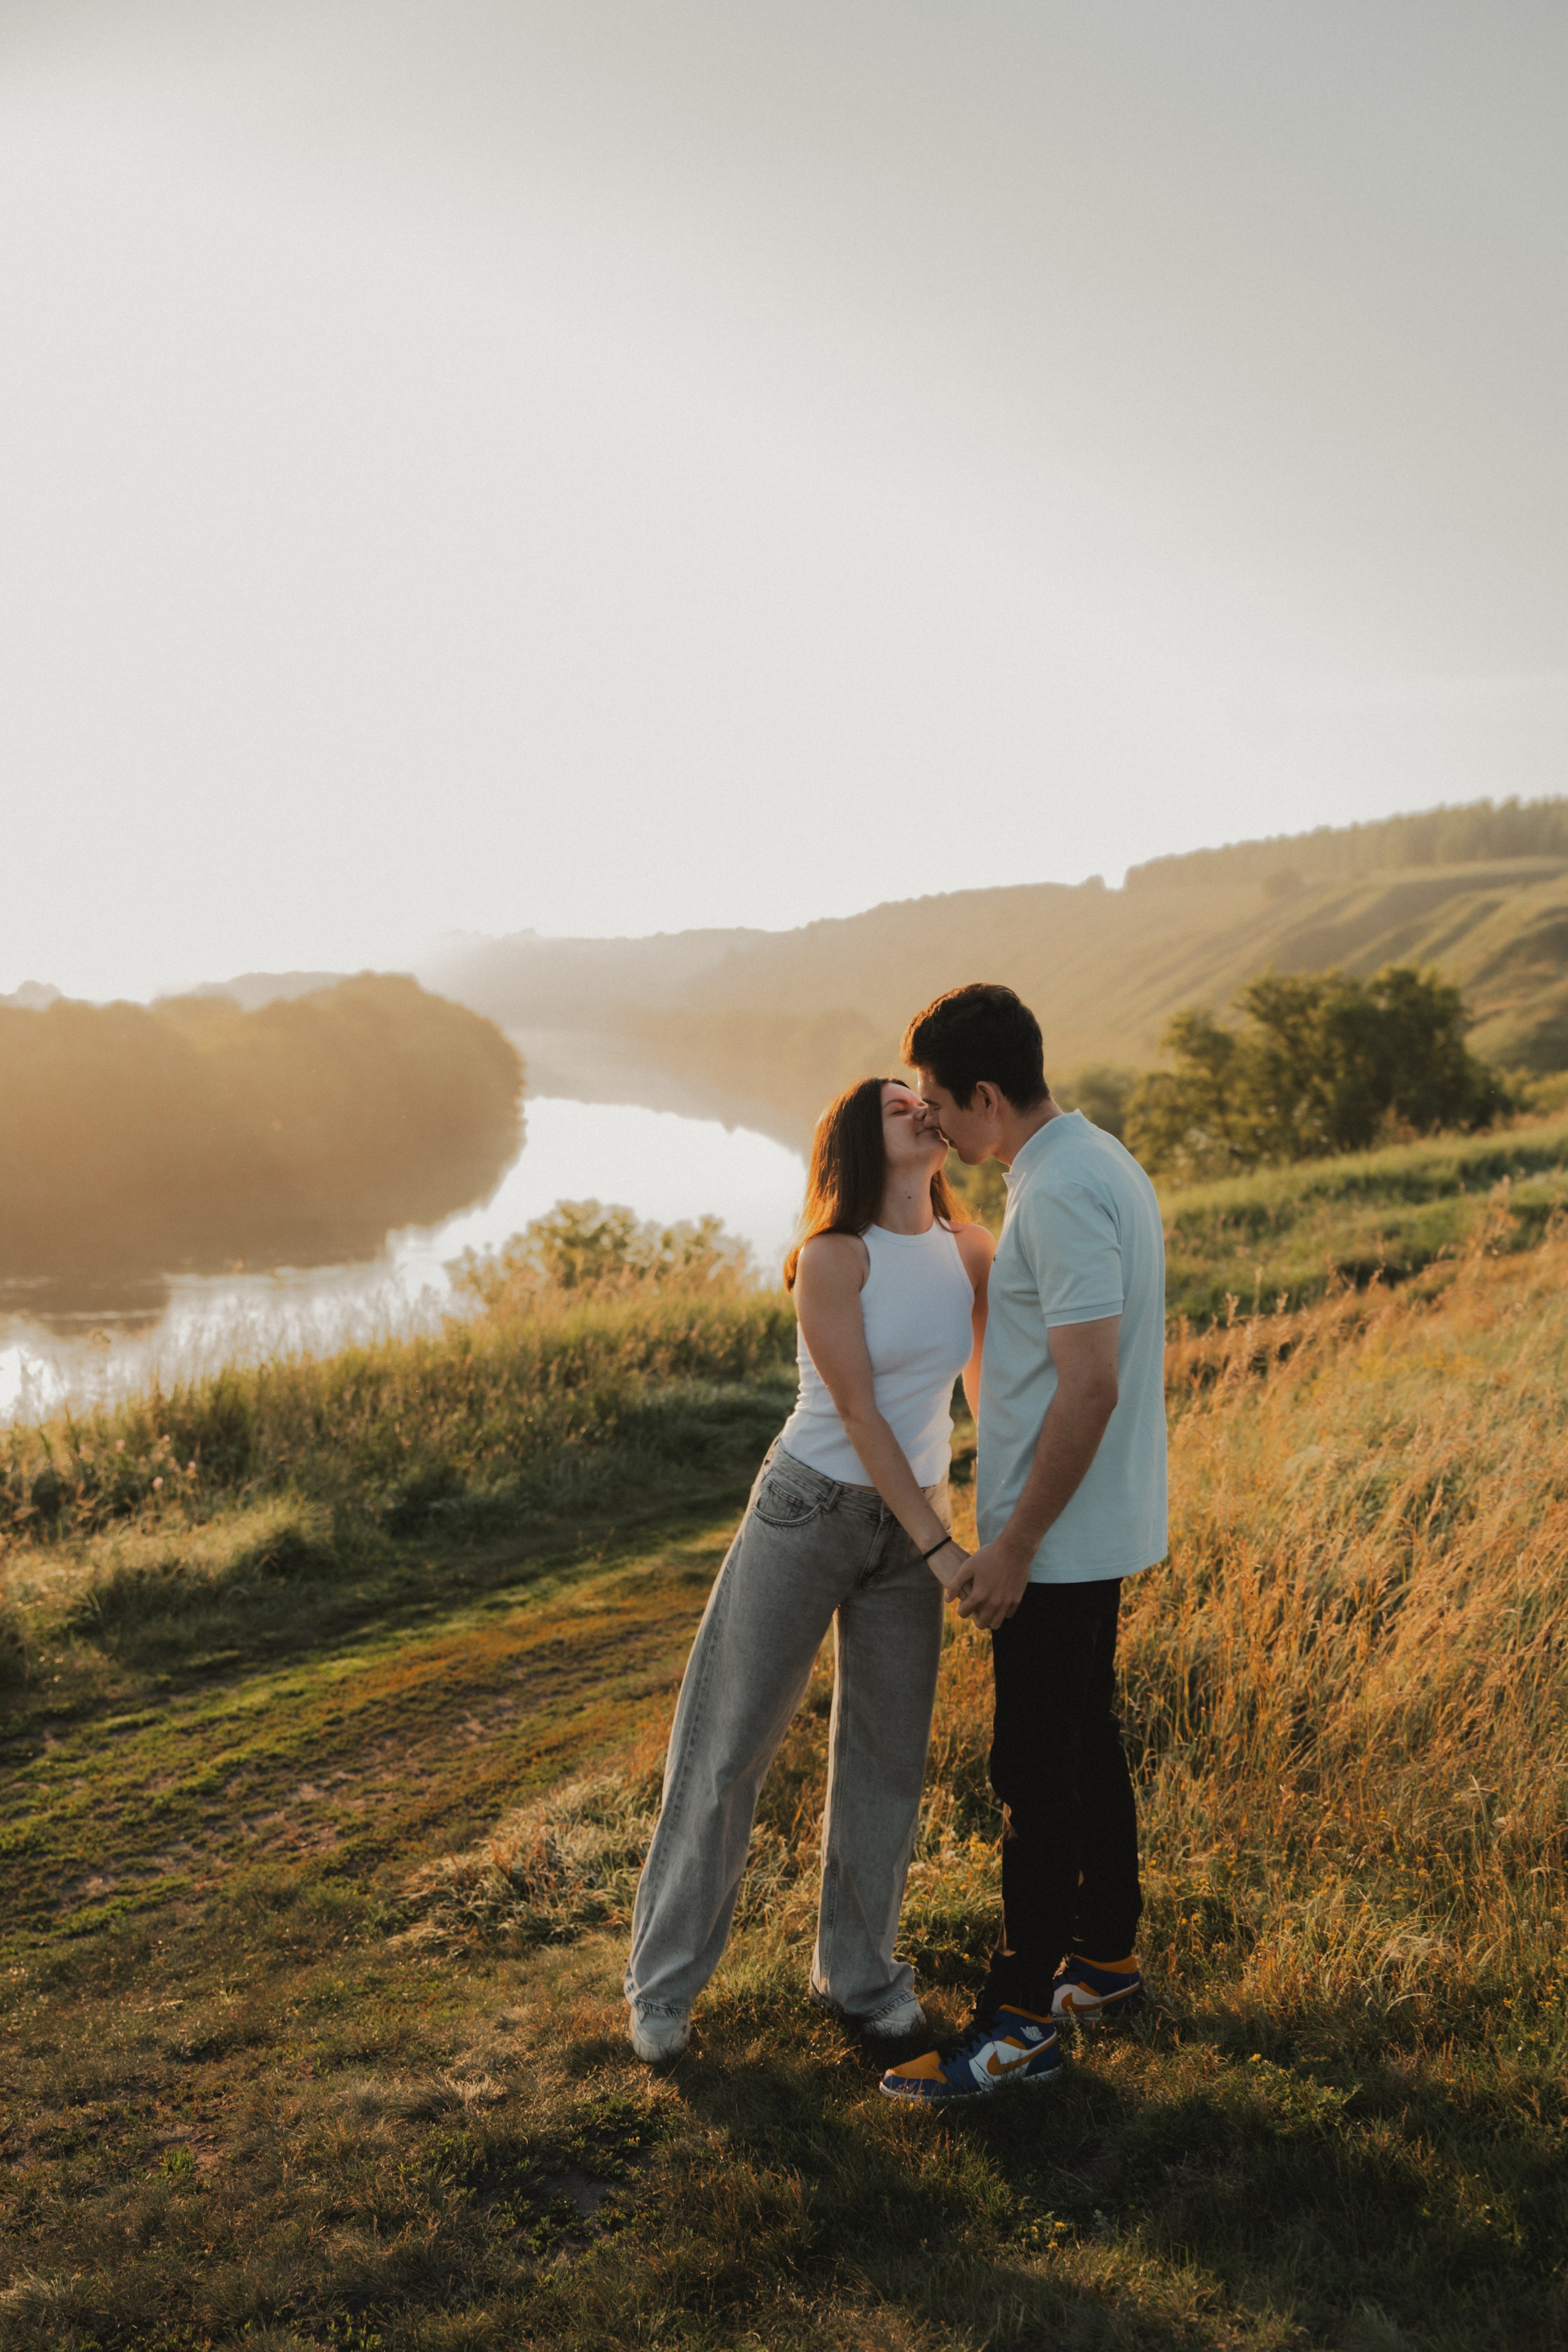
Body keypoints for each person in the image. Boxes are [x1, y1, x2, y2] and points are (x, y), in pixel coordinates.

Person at [624, 1076, 993, 2062]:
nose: (921, 1108)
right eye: (894, 1105)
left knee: (886, 1759)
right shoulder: (833, 1259)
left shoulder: (971, 1249)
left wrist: (1001, 1519)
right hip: (810, 1509)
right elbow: (863, 1417)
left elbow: (991, 1390)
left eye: (924, 1098)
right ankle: (661, 1991)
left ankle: (860, 1977)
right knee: (730, 1744)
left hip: (916, 1522)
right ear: (857, 1144)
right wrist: (942, 1547)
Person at [879, 982, 1167, 2105]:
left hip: (1060, 1541)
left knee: (1033, 1778)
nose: (937, 1125)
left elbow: (1087, 1391)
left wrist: (1012, 1547)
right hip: (1089, 1532)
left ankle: (1015, 2029)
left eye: (944, 1105)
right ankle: (1104, 1961)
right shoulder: (1098, 1160)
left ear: (989, 1094)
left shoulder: (1058, 1195)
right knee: (1086, 1745)